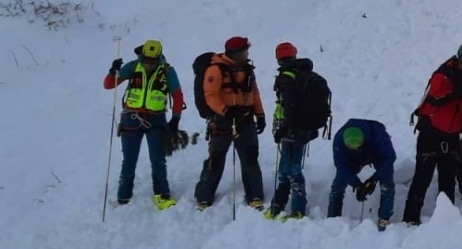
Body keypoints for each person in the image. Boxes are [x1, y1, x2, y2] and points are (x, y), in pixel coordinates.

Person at [402, 42, 462, 225]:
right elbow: (436, 97)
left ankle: (446, 219)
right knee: (422, 176)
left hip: (452, 133)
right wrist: (457, 92)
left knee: (448, 178)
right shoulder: (444, 74)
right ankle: (410, 218)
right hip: (431, 131)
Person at [103, 39, 185, 209]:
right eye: (146, 60)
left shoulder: (168, 71)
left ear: (158, 58)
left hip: (156, 120)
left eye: (152, 62)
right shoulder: (132, 67)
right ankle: (123, 196)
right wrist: (113, 72)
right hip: (131, 119)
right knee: (129, 160)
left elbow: (177, 95)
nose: (148, 64)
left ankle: (162, 195)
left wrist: (176, 118)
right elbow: (108, 85)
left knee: (158, 159)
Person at [193, 36, 266, 209]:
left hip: (245, 120)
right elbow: (210, 96)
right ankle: (204, 196)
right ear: (236, 53)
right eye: (245, 50)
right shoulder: (215, 70)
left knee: (250, 158)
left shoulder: (247, 70)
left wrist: (260, 115)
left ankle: (255, 195)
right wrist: (226, 111)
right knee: (215, 160)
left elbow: (254, 93)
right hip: (222, 122)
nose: (247, 53)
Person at [266, 42, 331, 220]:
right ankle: (278, 205)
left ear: (278, 58)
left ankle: (297, 210)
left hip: (291, 130)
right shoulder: (303, 73)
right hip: (303, 129)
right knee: (286, 168)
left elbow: (290, 106)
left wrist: (283, 129)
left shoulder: (287, 76)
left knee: (292, 171)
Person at [327, 119, 396, 230]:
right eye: (351, 147)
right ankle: (332, 218)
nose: (355, 148)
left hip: (376, 154)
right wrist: (356, 184)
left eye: (358, 145)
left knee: (387, 183)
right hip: (353, 159)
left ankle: (384, 219)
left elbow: (389, 158)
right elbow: (341, 166)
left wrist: (374, 178)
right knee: (338, 183)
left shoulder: (378, 134)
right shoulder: (339, 140)